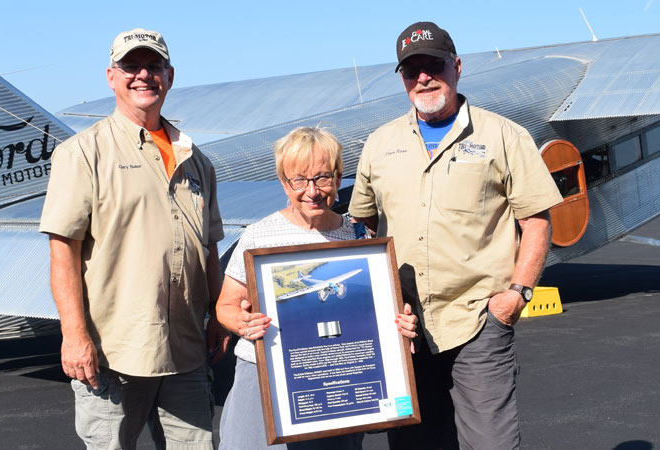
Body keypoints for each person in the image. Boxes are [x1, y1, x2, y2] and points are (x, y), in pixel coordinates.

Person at [349, 21, 564, 450]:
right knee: (417, 444)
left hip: (478, 320)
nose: (424, 77)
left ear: (457, 67)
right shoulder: (379, 143)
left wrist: (516, 296)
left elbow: (536, 221)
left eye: (434, 65)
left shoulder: (504, 135)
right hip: (404, 327)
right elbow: (362, 225)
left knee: (492, 444)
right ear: (404, 79)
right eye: (412, 71)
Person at [39, 28, 224, 450]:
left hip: (186, 354)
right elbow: (62, 252)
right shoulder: (82, 153)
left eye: (153, 65)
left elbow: (209, 246)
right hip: (114, 355)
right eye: (131, 66)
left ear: (169, 75)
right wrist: (74, 335)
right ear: (111, 76)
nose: (143, 75)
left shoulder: (197, 160)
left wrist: (218, 313)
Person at [214, 127, 419, 450]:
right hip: (265, 375)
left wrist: (399, 326)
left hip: (337, 378)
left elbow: (375, 309)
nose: (312, 191)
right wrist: (243, 323)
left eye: (323, 178)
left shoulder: (359, 238)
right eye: (299, 180)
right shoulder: (258, 235)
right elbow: (226, 306)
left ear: (338, 179)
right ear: (284, 182)